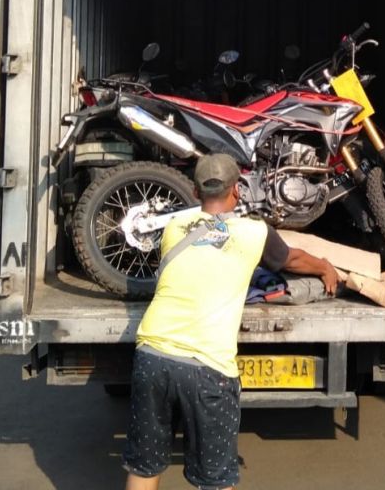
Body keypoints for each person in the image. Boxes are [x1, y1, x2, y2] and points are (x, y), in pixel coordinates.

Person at [123, 154, 340, 490]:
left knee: (144, 466)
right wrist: (326, 267)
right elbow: (292, 260)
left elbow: (209, 236)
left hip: (152, 354)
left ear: (195, 192)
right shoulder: (254, 233)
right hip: (207, 367)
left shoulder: (174, 229)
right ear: (237, 190)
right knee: (216, 479)